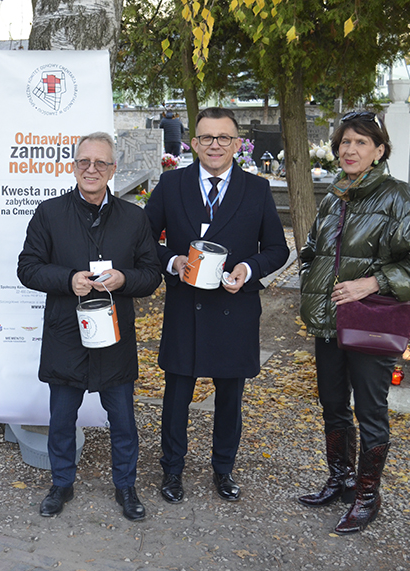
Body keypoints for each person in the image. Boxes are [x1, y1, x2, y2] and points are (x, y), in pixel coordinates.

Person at [298, 111, 410, 533]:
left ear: (380, 151)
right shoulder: (335, 195)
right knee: (332, 406)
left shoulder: (401, 198)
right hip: (330, 323)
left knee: (370, 411)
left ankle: (367, 494)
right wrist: (311, 269)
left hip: (372, 321)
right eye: (345, 142)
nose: (350, 149)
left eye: (361, 142)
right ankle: (341, 479)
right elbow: (315, 246)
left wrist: (373, 282)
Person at [145, 107, 289, 503]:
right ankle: (172, 470)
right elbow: (143, 239)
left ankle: (223, 469)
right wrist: (171, 261)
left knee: (230, 399)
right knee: (176, 398)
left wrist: (249, 267)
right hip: (184, 308)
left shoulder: (256, 190)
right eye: (206, 137)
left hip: (234, 310)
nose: (215, 145)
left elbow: (277, 249)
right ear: (193, 142)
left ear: (237, 143)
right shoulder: (171, 185)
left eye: (224, 137)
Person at [17, 132, 161, 521]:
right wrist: (68, 280)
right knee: (62, 419)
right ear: (74, 167)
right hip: (67, 332)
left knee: (123, 421)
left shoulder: (134, 217)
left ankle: (126, 487)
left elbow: (151, 275)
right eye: (84, 162)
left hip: (114, 336)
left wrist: (124, 280)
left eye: (100, 163)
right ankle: (61, 484)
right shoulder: (49, 213)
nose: (91, 169)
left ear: (113, 170)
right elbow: (27, 267)